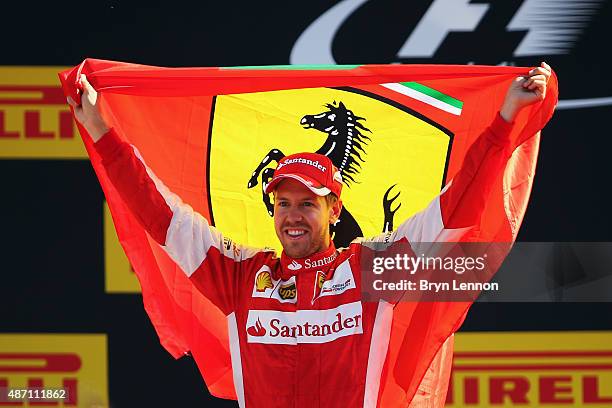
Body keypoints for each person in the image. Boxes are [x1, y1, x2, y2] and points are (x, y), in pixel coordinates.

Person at [68, 62, 552, 408]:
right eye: (283, 203)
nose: (292, 216)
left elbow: (456, 207)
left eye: (307, 204)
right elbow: (160, 215)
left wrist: (503, 123)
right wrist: (100, 129)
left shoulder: (370, 269)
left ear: (334, 208)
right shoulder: (238, 274)